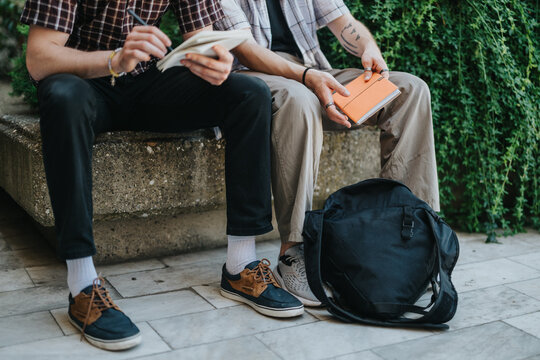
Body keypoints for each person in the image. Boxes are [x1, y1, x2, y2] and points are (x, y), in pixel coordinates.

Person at [20, 0, 303, 351]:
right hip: (85, 83)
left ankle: (240, 265)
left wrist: (216, 60)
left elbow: (201, 37)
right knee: (61, 96)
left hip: (148, 82)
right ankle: (82, 284)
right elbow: (39, 58)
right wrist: (114, 59)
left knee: (248, 93)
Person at [213, 0, 440, 306]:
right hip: (253, 77)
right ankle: (293, 251)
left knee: (410, 90)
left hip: (315, 73)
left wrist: (368, 48)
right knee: (300, 99)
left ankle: (413, 237)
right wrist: (306, 77)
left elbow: (344, 22)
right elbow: (244, 49)